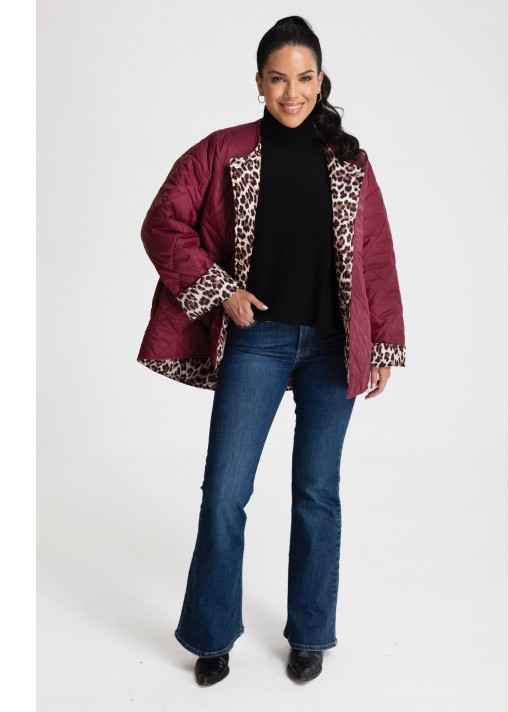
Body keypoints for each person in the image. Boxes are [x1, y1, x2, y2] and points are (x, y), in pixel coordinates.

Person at [137, 15, 406, 686]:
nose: (293, 93)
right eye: (279, 79)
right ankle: (211, 635)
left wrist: (384, 342)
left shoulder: (349, 161)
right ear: (258, 82)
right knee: (224, 493)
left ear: (322, 80)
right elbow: (163, 222)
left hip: (332, 347)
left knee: (317, 492)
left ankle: (311, 633)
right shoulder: (223, 150)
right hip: (257, 341)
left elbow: (375, 256)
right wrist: (221, 290)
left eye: (305, 78)